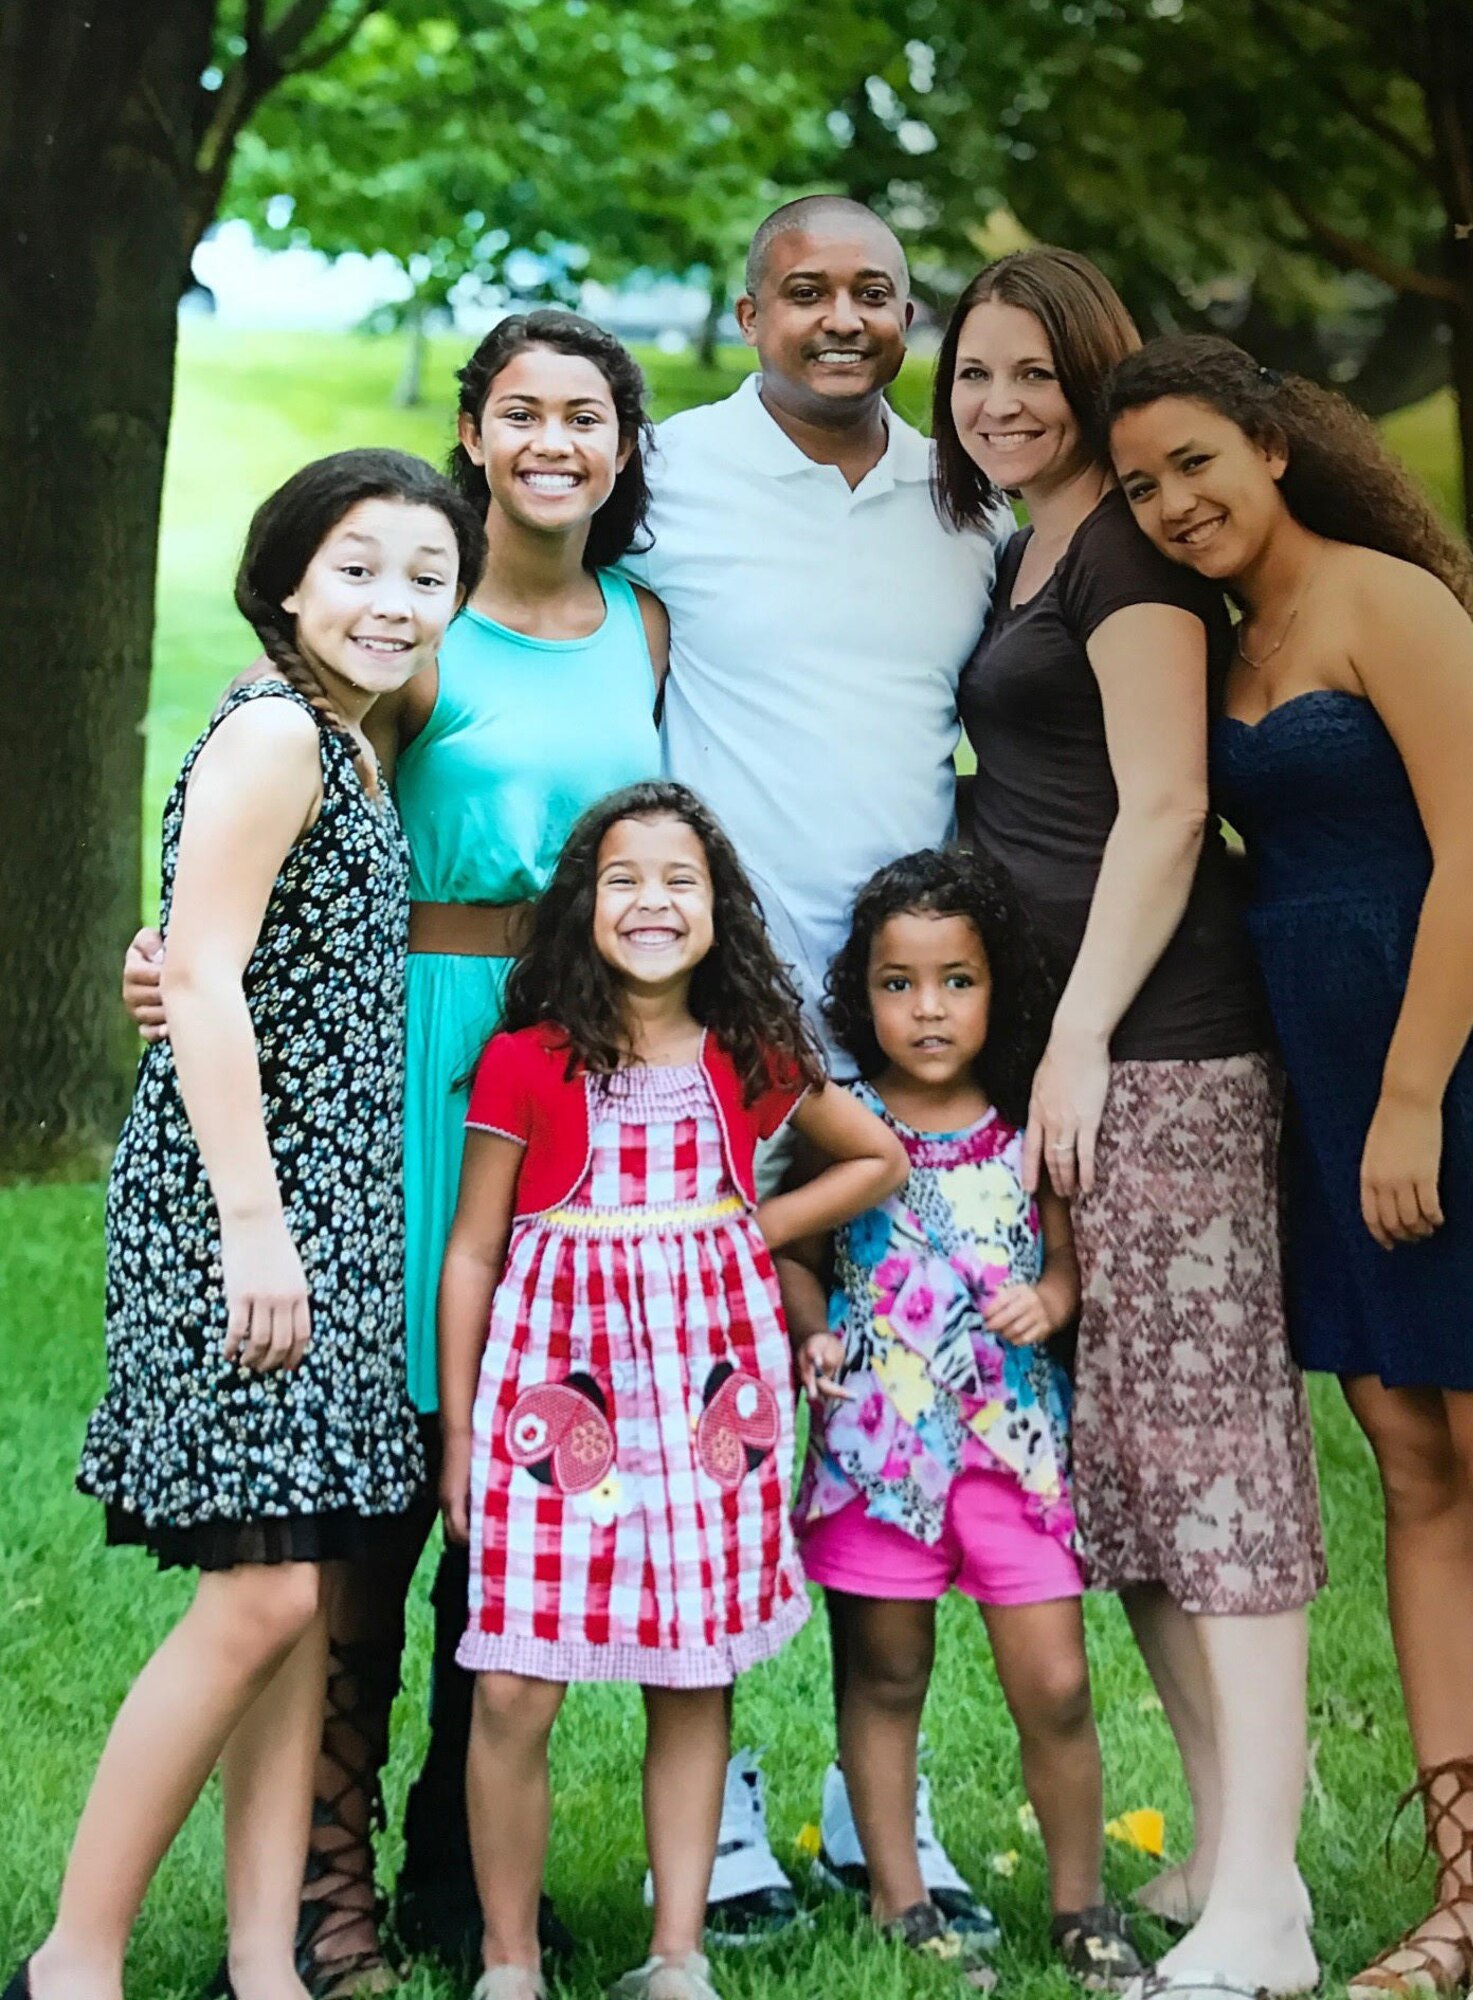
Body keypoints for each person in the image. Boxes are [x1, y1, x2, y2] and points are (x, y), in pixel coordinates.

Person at [118, 311, 666, 1991]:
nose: (556, 440)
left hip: (559, 1051)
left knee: (513, 1461)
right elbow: (270, 763)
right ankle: (322, 1884)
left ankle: (452, 1860)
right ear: (478, 435)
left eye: (588, 413)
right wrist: (169, 953)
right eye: (524, 412)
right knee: (372, 1479)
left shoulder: (646, 624)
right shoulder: (421, 624)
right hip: (410, 1045)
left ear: (623, 445)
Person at [1106, 333, 1473, 2000]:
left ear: (1275, 444)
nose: (1171, 503)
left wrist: (1415, 1099)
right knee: (1411, 1461)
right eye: (1142, 483)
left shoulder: (1389, 600)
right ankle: (1466, 1898)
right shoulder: (1223, 646)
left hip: (1466, 1071)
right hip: (1327, 1080)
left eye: (1194, 464)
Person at [5, 451, 485, 2000]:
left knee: (295, 1588)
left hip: (332, 1211)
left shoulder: (349, 743)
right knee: (266, 1591)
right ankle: (74, 1957)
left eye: (427, 574)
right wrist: (258, 1227)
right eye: (357, 567)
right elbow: (199, 977)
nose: (393, 602)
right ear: (284, 579)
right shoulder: (279, 732)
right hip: (245, 1208)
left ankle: (264, 1964)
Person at [933, 249, 1326, 1997]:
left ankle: (1264, 1908)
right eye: (973, 377)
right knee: (1137, 1481)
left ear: (1095, 375)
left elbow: (1167, 812)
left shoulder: (1129, 561)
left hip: (1162, 1049)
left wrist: (1079, 1037)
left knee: (1217, 1468)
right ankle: (1245, 1868)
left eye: (1032, 372)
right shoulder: (1037, 547)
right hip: (1082, 1062)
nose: (999, 402)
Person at [628, 191, 1006, 1943]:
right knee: (697, 1413)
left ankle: (888, 1790)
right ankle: (710, 1815)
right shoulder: (669, 473)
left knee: (885, 1424)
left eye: (875, 292)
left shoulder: (967, 495)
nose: (842, 318)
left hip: (905, 1041)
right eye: (806, 290)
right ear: (747, 303)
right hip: (703, 1023)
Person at [437, 781, 907, 2000]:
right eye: (624, 878)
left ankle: (678, 1951)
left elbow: (877, 1156)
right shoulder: (526, 1063)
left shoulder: (745, 1055)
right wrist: (457, 1434)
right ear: (582, 905)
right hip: (562, 1397)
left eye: (680, 880)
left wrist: (750, 1228)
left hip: (708, 1395)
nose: (652, 901)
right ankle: (508, 1958)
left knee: (695, 1664)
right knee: (512, 1676)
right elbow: (475, 1253)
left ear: (720, 909)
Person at [778, 848, 1146, 1988]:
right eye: (898, 982)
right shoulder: (846, 1118)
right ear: (862, 991)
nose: (927, 1008)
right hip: (879, 1454)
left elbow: (1071, 1258)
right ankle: (902, 1898)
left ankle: (1083, 1901)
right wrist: (812, 1330)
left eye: (955, 980)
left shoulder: (1031, 1117)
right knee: (885, 1673)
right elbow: (794, 1246)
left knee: (1057, 1683)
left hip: (1013, 1451)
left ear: (998, 988)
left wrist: (1054, 1298)